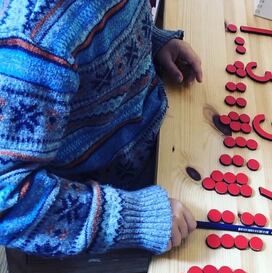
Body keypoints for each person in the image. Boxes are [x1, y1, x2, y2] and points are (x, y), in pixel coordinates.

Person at [0, 0, 202, 257]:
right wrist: (134, 218)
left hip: (155, 143)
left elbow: (102, 26)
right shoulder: (29, 45)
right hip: (100, 210)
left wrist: (152, 41)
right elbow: (8, 205)